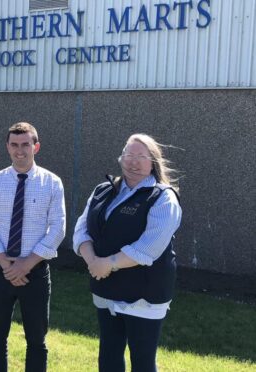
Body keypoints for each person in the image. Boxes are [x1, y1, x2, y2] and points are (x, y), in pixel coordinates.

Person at [73, 133, 182, 372]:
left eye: (140, 157)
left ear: (152, 161)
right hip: (106, 289)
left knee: (143, 362)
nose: (133, 162)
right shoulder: (103, 190)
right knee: (109, 358)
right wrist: (92, 260)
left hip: (144, 295)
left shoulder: (163, 197)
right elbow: (82, 229)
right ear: (120, 158)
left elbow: (149, 247)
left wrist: (107, 264)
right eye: (128, 155)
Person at [0, 122, 66, 372]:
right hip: (1, 270)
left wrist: (26, 264)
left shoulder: (52, 183)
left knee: (37, 341)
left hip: (35, 272)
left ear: (35, 147)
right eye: (14, 145)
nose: (20, 151)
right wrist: (7, 265)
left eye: (25, 144)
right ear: (7, 147)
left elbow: (58, 228)